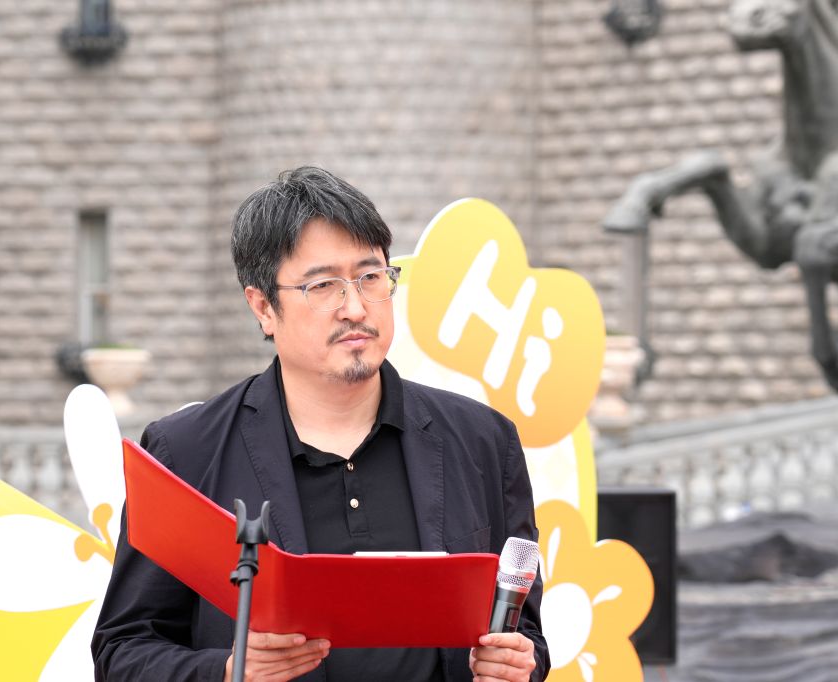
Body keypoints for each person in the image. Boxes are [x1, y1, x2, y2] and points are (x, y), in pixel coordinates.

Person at [92, 167, 551, 682]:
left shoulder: (482, 441)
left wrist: (518, 665)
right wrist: (229, 671)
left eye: (371, 277)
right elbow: (122, 651)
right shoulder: (187, 452)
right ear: (263, 307)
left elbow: (525, 634)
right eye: (324, 285)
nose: (355, 307)